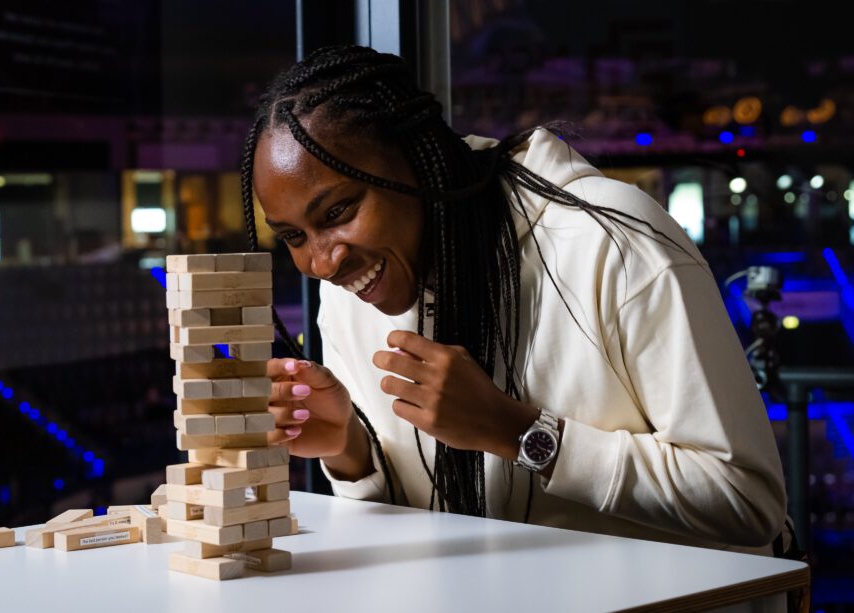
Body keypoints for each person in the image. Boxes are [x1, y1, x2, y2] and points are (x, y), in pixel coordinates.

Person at [240, 45, 788, 554]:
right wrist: (351, 451)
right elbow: (422, 534)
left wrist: (519, 431)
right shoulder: (349, 296)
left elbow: (747, 502)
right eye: (293, 237)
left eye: (337, 213)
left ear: (417, 158)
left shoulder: (612, 241)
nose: (321, 263)